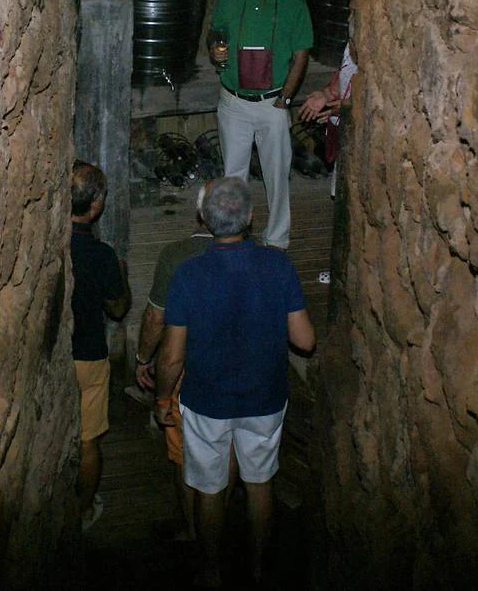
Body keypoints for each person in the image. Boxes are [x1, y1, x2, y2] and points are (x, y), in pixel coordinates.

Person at [153, 177, 316, 586]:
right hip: (264, 396)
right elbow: (304, 339)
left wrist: (161, 399)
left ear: (204, 220)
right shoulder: (277, 265)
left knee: (211, 487)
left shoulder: (188, 274)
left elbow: (171, 356)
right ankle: (259, 568)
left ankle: (211, 569)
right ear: (250, 217)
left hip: (207, 400)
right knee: (260, 483)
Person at [208, 0, 313, 249]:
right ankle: (233, 236)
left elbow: (301, 56)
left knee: (277, 175)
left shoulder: (295, 5)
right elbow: (216, 33)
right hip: (234, 102)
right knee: (233, 176)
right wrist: (215, 50)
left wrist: (286, 100)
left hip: (273, 103)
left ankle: (278, 240)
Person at [134, 181, 217, 542]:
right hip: (235, 373)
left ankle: (195, 534)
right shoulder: (259, 251)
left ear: (200, 214)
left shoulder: (176, 255)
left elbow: (156, 317)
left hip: (189, 377)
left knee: (185, 460)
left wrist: (142, 358)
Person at [69, 160, 131, 531]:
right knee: (89, 439)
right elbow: (118, 307)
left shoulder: (52, 243)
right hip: (89, 354)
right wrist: (120, 273)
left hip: (59, 357)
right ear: (95, 205)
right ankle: (84, 509)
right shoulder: (101, 254)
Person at [297, 41, 358, 197]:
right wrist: (327, 94)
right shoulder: (354, 41)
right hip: (344, 134)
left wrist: (344, 108)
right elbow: (346, 72)